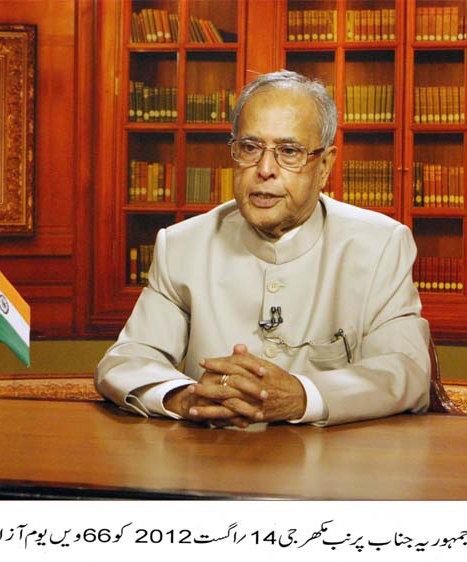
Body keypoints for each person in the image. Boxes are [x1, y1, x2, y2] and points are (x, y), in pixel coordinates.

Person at [95, 70, 430, 428]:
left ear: (324, 166)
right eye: (250, 148)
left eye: (289, 152)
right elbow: (125, 361)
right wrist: (185, 397)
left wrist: (302, 396)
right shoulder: (181, 246)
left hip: (330, 459)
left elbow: (406, 369)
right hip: (211, 455)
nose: (265, 169)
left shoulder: (380, 245)